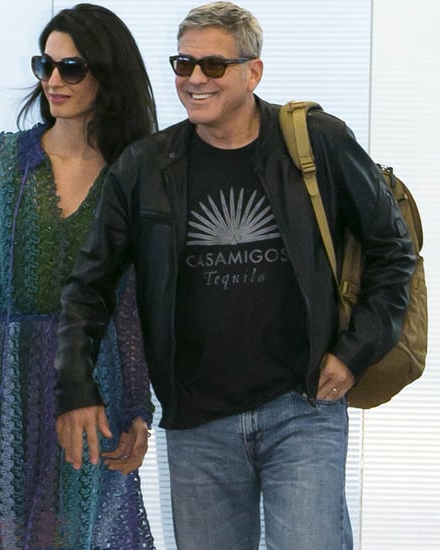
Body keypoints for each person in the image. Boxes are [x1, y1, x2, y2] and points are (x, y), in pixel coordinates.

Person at [55, 1, 415, 549]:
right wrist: (77, 385)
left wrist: (355, 349)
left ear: (253, 71)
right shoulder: (147, 166)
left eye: (214, 66)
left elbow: (393, 249)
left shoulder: (317, 142)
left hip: (302, 405)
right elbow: (90, 286)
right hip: (197, 419)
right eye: (183, 64)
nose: (195, 79)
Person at [0, 4, 157, 549]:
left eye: (71, 68)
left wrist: (138, 408)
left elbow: (129, 305)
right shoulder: (3, 158)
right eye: (44, 66)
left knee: (72, 538)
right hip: (2, 384)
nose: (53, 80)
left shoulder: (133, 173)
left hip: (94, 387)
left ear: (107, 73)